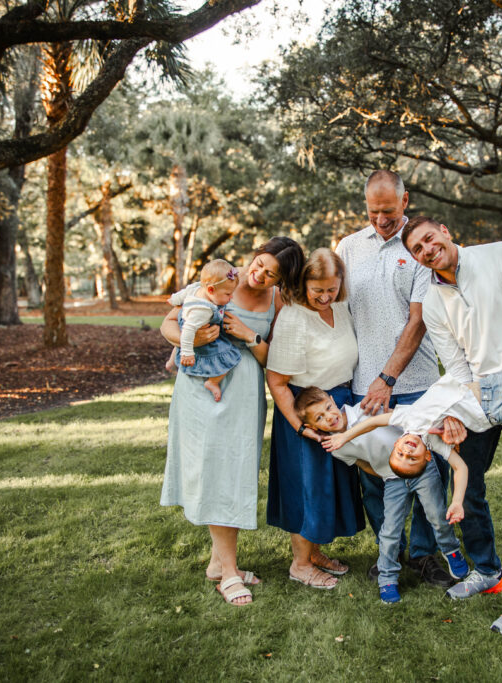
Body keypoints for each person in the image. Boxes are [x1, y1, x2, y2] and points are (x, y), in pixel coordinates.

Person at [402, 215, 502, 636]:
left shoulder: (501, 254)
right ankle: (488, 571)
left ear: (444, 231)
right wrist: (456, 412)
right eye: (417, 249)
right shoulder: (432, 301)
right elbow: (456, 366)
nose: (427, 250)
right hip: (480, 400)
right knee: (466, 484)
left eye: (429, 239)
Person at [160, 237, 305, 606]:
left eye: (271, 275)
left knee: (234, 473)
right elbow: (168, 323)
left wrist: (248, 335)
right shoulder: (220, 278)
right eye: (259, 265)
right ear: (254, 257)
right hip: (202, 391)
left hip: (245, 395)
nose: (259, 276)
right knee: (216, 474)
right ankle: (228, 573)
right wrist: (191, 340)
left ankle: (217, 564)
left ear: (281, 281)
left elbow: (276, 359)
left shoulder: (278, 301)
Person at [335, 170, 452, 587]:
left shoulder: (419, 247)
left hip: (416, 384)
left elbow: (418, 321)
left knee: (430, 470)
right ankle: (391, 553)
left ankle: (424, 554)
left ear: (405, 201)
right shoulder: (348, 248)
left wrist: (387, 377)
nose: (381, 220)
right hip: (364, 387)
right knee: (375, 476)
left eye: (388, 211)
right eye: (373, 212)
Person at [293, 387, 471, 604]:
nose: (329, 417)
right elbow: (362, 464)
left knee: (437, 515)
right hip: (392, 479)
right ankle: (387, 577)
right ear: (312, 427)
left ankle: (451, 550)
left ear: (332, 400)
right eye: (319, 418)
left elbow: (397, 419)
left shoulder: (364, 409)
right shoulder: (336, 447)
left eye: (328, 408)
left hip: (422, 468)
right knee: (390, 531)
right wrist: (385, 474)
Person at [265, 248, 364, 590]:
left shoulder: (341, 308)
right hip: (306, 411)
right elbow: (277, 381)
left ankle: (315, 552)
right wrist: (301, 427)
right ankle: (300, 564)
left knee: (327, 488)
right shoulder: (294, 317)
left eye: (331, 289)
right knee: (306, 488)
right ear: (304, 283)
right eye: (317, 290)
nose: (324, 297)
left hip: (337, 407)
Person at [323, 371, 502, 478]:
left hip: (483, 387)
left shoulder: (405, 418)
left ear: (396, 442)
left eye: (400, 454)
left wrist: (344, 437)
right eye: (412, 458)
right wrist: (457, 502)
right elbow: (460, 468)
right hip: (489, 415)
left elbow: (373, 422)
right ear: (426, 456)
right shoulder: (436, 444)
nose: (407, 452)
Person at [166, 259, 242, 401]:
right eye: (227, 294)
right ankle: (212, 382)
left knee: (183, 339)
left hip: (187, 325)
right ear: (211, 290)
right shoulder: (203, 310)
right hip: (196, 331)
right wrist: (187, 353)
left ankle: (172, 360)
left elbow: (182, 294)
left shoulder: (196, 288)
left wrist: (173, 299)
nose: (231, 297)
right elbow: (188, 331)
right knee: (229, 357)